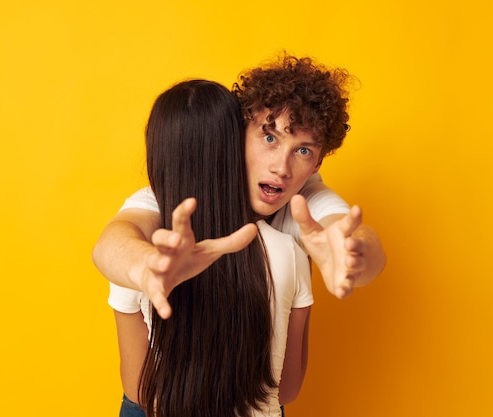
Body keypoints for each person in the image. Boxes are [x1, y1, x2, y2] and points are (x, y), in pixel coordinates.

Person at [93, 54, 386, 319]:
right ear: (240, 133)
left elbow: (354, 235)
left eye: (303, 151)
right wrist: (145, 267)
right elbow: (112, 242)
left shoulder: (305, 199)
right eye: (270, 138)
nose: (281, 168)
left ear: (317, 164)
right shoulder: (186, 193)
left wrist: (353, 255)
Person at [111, 79, 313, 417]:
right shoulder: (288, 252)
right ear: (236, 149)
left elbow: (138, 389)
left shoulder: (140, 252)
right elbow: (288, 389)